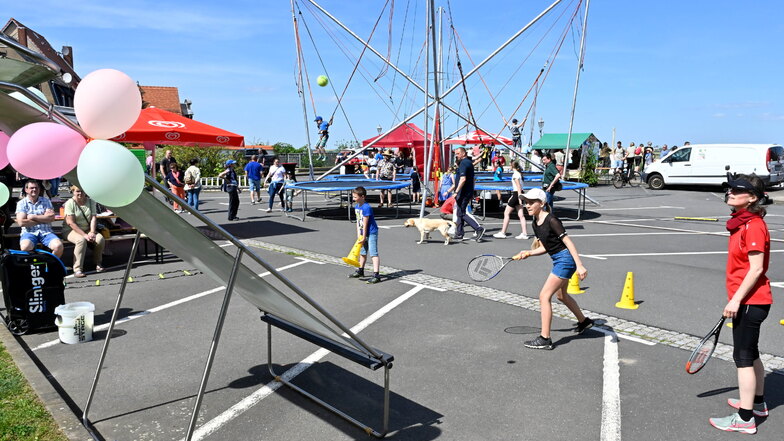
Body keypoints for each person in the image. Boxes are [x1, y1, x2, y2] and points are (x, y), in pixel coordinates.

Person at [708, 174, 772, 435]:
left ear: (753, 198)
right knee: (751, 352)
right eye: (730, 189)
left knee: (742, 358)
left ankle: (744, 419)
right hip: (749, 301)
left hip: (750, 301)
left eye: (737, 190)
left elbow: (756, 269)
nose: (730, 193)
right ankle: (757, 404)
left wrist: (735, 300)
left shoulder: (753, 225)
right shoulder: (741, 223)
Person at [517, 187, 592, 350]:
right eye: (526, 203)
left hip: (565, 261)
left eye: (531, 203)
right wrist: (528, 253)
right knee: (562, 296)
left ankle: (545, 339)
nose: (527, 206)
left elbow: (568, 242)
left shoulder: (552, 220)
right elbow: (545, 247)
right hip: (559, 260)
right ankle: (584, 322)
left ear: (542, 203)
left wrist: (579, 265)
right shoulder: (535, 222)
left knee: (544, 296)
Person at [63, 185, 105, 278]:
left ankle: (98, 263)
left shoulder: (91, 201)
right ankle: (77, 269)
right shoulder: (70, 203)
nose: (80, 193)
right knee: (81, 240)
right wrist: (85, 235)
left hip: (87, 229)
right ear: (73, 192)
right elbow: (71, 223)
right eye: (77, 191)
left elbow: (93, 218)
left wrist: (92, 232)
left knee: (100, 239)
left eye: (82, 191)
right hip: (70, 230)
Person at [16, 180, 63, 257]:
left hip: (46, 232)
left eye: (36, 188)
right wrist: (43, 219)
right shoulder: (21, 203)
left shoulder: (46, 201)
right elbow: (21, 222)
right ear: (26, 190)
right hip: (29, 232)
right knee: (25, 247)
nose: (34, 190)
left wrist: (32, 217)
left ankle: (51, 264)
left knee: (58, 246)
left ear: (39, 189)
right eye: (31, 188)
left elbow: (51, 218)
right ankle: (32, 266)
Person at [449, 147, 485, 242]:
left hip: (463, 192)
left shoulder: (464, 163)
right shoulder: (469, 163)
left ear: (463, 153)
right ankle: (459, 232)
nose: (456, 156)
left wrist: (456, 191)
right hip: (467, 191)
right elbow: (472, 179)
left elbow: (463, 179)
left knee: (461, 212)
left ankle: (478, 228)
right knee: (459, 212)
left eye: (458, 154)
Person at [347, 186, 381, 284]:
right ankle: (360, 270)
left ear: (362, 197)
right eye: (353, 197)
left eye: (355, 197)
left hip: (371, 232)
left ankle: (376, 275)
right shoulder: (357, 207)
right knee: (362, 252)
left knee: (373, 253)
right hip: (363, 233)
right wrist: (359, 235)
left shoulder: (367, 208)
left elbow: (365, 223)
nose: (353, 199)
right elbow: (359, 221)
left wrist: (364, 236)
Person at [493, 160, 529, 239]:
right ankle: (524, 233)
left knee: (506, 213)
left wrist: (518, 197)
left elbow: (518, 187)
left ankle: (503, 232)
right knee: (521, 215)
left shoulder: (515, 175)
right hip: (519, 194)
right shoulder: (519, 174)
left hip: (517, 194)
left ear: (512, 166)